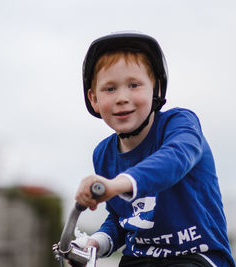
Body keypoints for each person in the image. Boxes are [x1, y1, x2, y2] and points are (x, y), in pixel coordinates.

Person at [74, 31, 235, 266]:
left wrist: (117, 184)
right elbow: (125, 217)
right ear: (94, 99)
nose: (122, 97)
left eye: (134, 85)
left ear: (156, 89)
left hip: (196, 256)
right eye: (110, 89)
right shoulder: (103, 154)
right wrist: (97, 242)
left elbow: (174, 159)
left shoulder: (180, 124)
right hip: (139, 259)